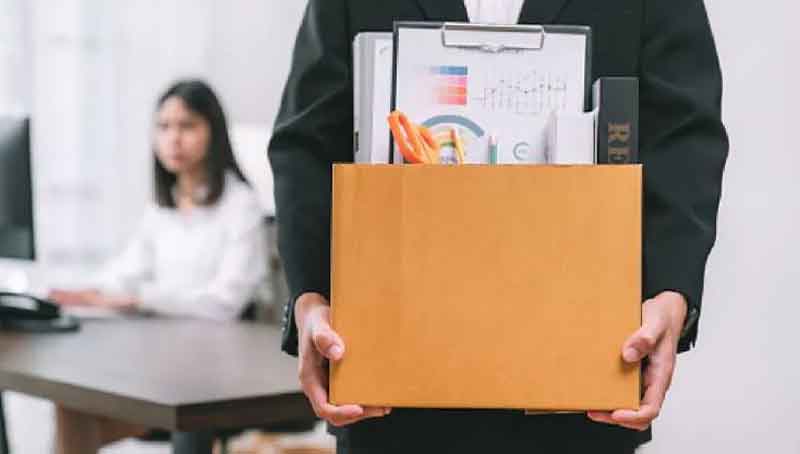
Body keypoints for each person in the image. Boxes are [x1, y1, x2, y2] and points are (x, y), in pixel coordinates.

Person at [269, 0, 728, 453]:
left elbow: (684, 138)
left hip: (581, 397)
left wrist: (671, 294)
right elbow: (306, 143)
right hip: (393, 401)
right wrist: (312, 299)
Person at [49, 79, 267, 454]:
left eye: (187, 126)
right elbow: (124, 272)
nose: (173, 139)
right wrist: (81, 292)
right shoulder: (162, 207)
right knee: (71, 403)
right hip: (161, 362)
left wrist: (141, 299)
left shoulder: (241, 205)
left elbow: (224, 303)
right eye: (164, 127)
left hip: (213, 373)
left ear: (214, 132)